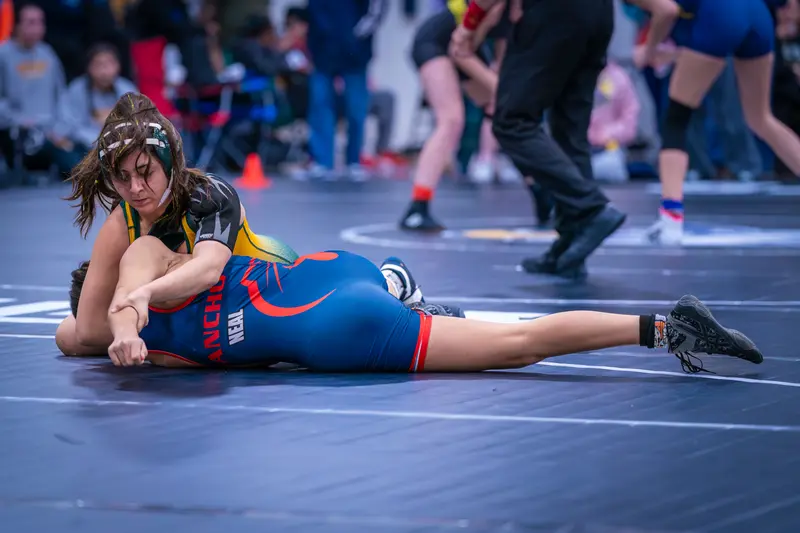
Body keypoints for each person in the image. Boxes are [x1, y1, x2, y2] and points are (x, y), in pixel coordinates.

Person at [67, 235, 763, 374]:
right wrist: (117, 328)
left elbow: (118, 309)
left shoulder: (143, 264)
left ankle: (667, 330)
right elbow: (82, 332)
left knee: (517, 342)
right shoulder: (153, 343)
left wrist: (130, 310)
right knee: (511, 339)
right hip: (331, 272)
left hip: (336, 324)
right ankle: (666, 324)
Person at [55, 92, 299, 357]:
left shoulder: (209, 195)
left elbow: (208, 271)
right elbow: (88, 330)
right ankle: (162, 330)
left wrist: (140, 300)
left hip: (271, 279)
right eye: (122, 177)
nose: (135, 188)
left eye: (146, 172)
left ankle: (162, 332)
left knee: (145, 283)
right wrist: (127, 324)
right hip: (195, 307)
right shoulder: (122, 221)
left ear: (169, 164)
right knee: (68, 335)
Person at [450, 0, 627, 279]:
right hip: (600, 14)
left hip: (553, 13)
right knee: (571, 131)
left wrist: (469, 23)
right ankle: (571, 248)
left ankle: (591, 207)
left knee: (511, 121)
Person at [630, 0, 800, 245]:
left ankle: (670, 221)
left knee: (676, 119)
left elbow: (666, 11)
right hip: (757, 13)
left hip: (720, 14)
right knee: (761, 118)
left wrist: (648, 50)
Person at [399, 0, 512, 231]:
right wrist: (500, 88)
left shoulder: (515, 16)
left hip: (467, 47)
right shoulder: (498, 6)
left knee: (507, 112)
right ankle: (417, 207)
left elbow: (501, 63)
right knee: (451, 119)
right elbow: (459, 50)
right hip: (436, 42)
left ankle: (540, 194)